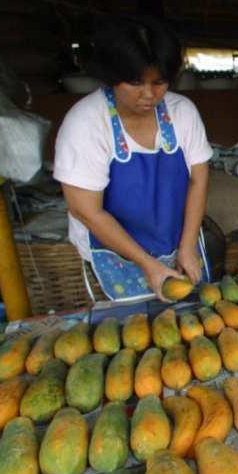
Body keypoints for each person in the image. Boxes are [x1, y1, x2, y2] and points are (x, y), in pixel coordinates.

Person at [54, 16, 213, 302]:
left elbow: (198, 180)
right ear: (112, 75)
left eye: (160, 82)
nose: (149, 95)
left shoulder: (183, 113)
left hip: (177, 243)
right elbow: (86, 211)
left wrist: (188, 246)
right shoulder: (86, 123)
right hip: (115, 254)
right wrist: (148, 264)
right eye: (136, 82)